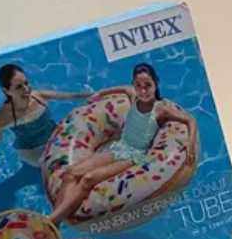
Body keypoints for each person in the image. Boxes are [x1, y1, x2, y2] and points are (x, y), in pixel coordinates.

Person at [48, 62, 197, 225]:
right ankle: (55, 219)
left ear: (156, 84)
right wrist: (98, 94)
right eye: (138, 85)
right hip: (119, 148)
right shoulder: (133, 96)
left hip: (133, 156)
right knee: (71, 173)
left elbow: (190, 120)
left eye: (148, 85)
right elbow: (121, 88)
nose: (143, 90)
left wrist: (190, 144)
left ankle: (52, 221)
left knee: (88, 179)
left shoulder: (161, 109)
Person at [0, 64, 89, 175]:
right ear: (6, 91)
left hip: (55, 137)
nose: (26, 89)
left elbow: (72, 96)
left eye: (26, 83)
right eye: (19, 87)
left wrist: (96, 94)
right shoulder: (3, 117)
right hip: (33, 152)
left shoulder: (39, 97)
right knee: (65, 169)